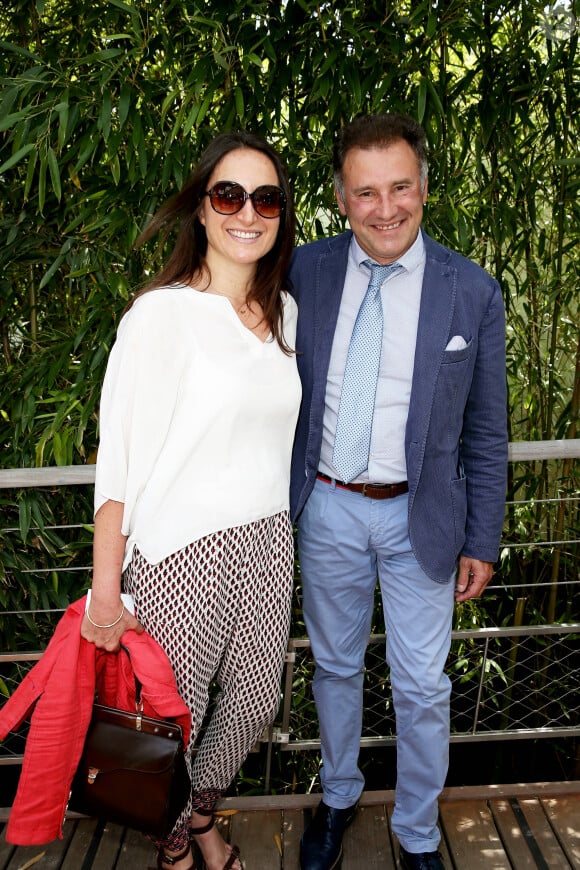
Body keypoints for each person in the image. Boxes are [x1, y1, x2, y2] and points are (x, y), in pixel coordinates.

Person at [289, 114, 508, 870]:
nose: (386, 208)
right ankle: (340, 796)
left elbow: (486, 430)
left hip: (425, 516)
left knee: (422, 686)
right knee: (336, 668)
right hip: (325, 507)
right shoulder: (303, 271)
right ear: (343, 199)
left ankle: (417, 832)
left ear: (424, 187)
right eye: (366, 192)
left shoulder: (471, 291)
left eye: (401, 186)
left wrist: (483, 537)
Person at [81, 131, 301, 870]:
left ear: (281, 214)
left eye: (265, 197)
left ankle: (195, 813)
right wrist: (105, 592)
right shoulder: (159, 316)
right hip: (181, 550)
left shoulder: (286, 317)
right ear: (202, 210)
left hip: (270, 541)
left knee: (255, 704)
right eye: (228, 194)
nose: (248, 212)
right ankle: (180, 841)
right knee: (176, 717)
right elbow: (119, 463)